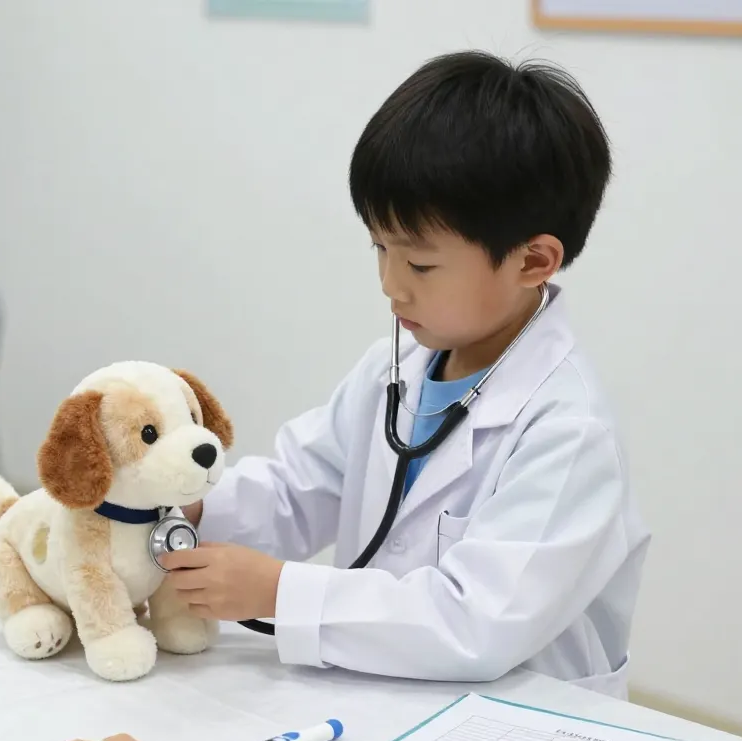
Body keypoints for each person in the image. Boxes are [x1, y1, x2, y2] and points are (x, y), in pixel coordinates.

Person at [159, 50, 650, 699]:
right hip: (386, 699)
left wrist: (279, 592)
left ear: (533, 260)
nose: (391, 285)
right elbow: (299, 487)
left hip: (521, 722)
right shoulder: (393, 374)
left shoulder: (569, 430)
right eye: (380, 248)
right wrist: (190, 502)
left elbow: (475, 623)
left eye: (420, 265)